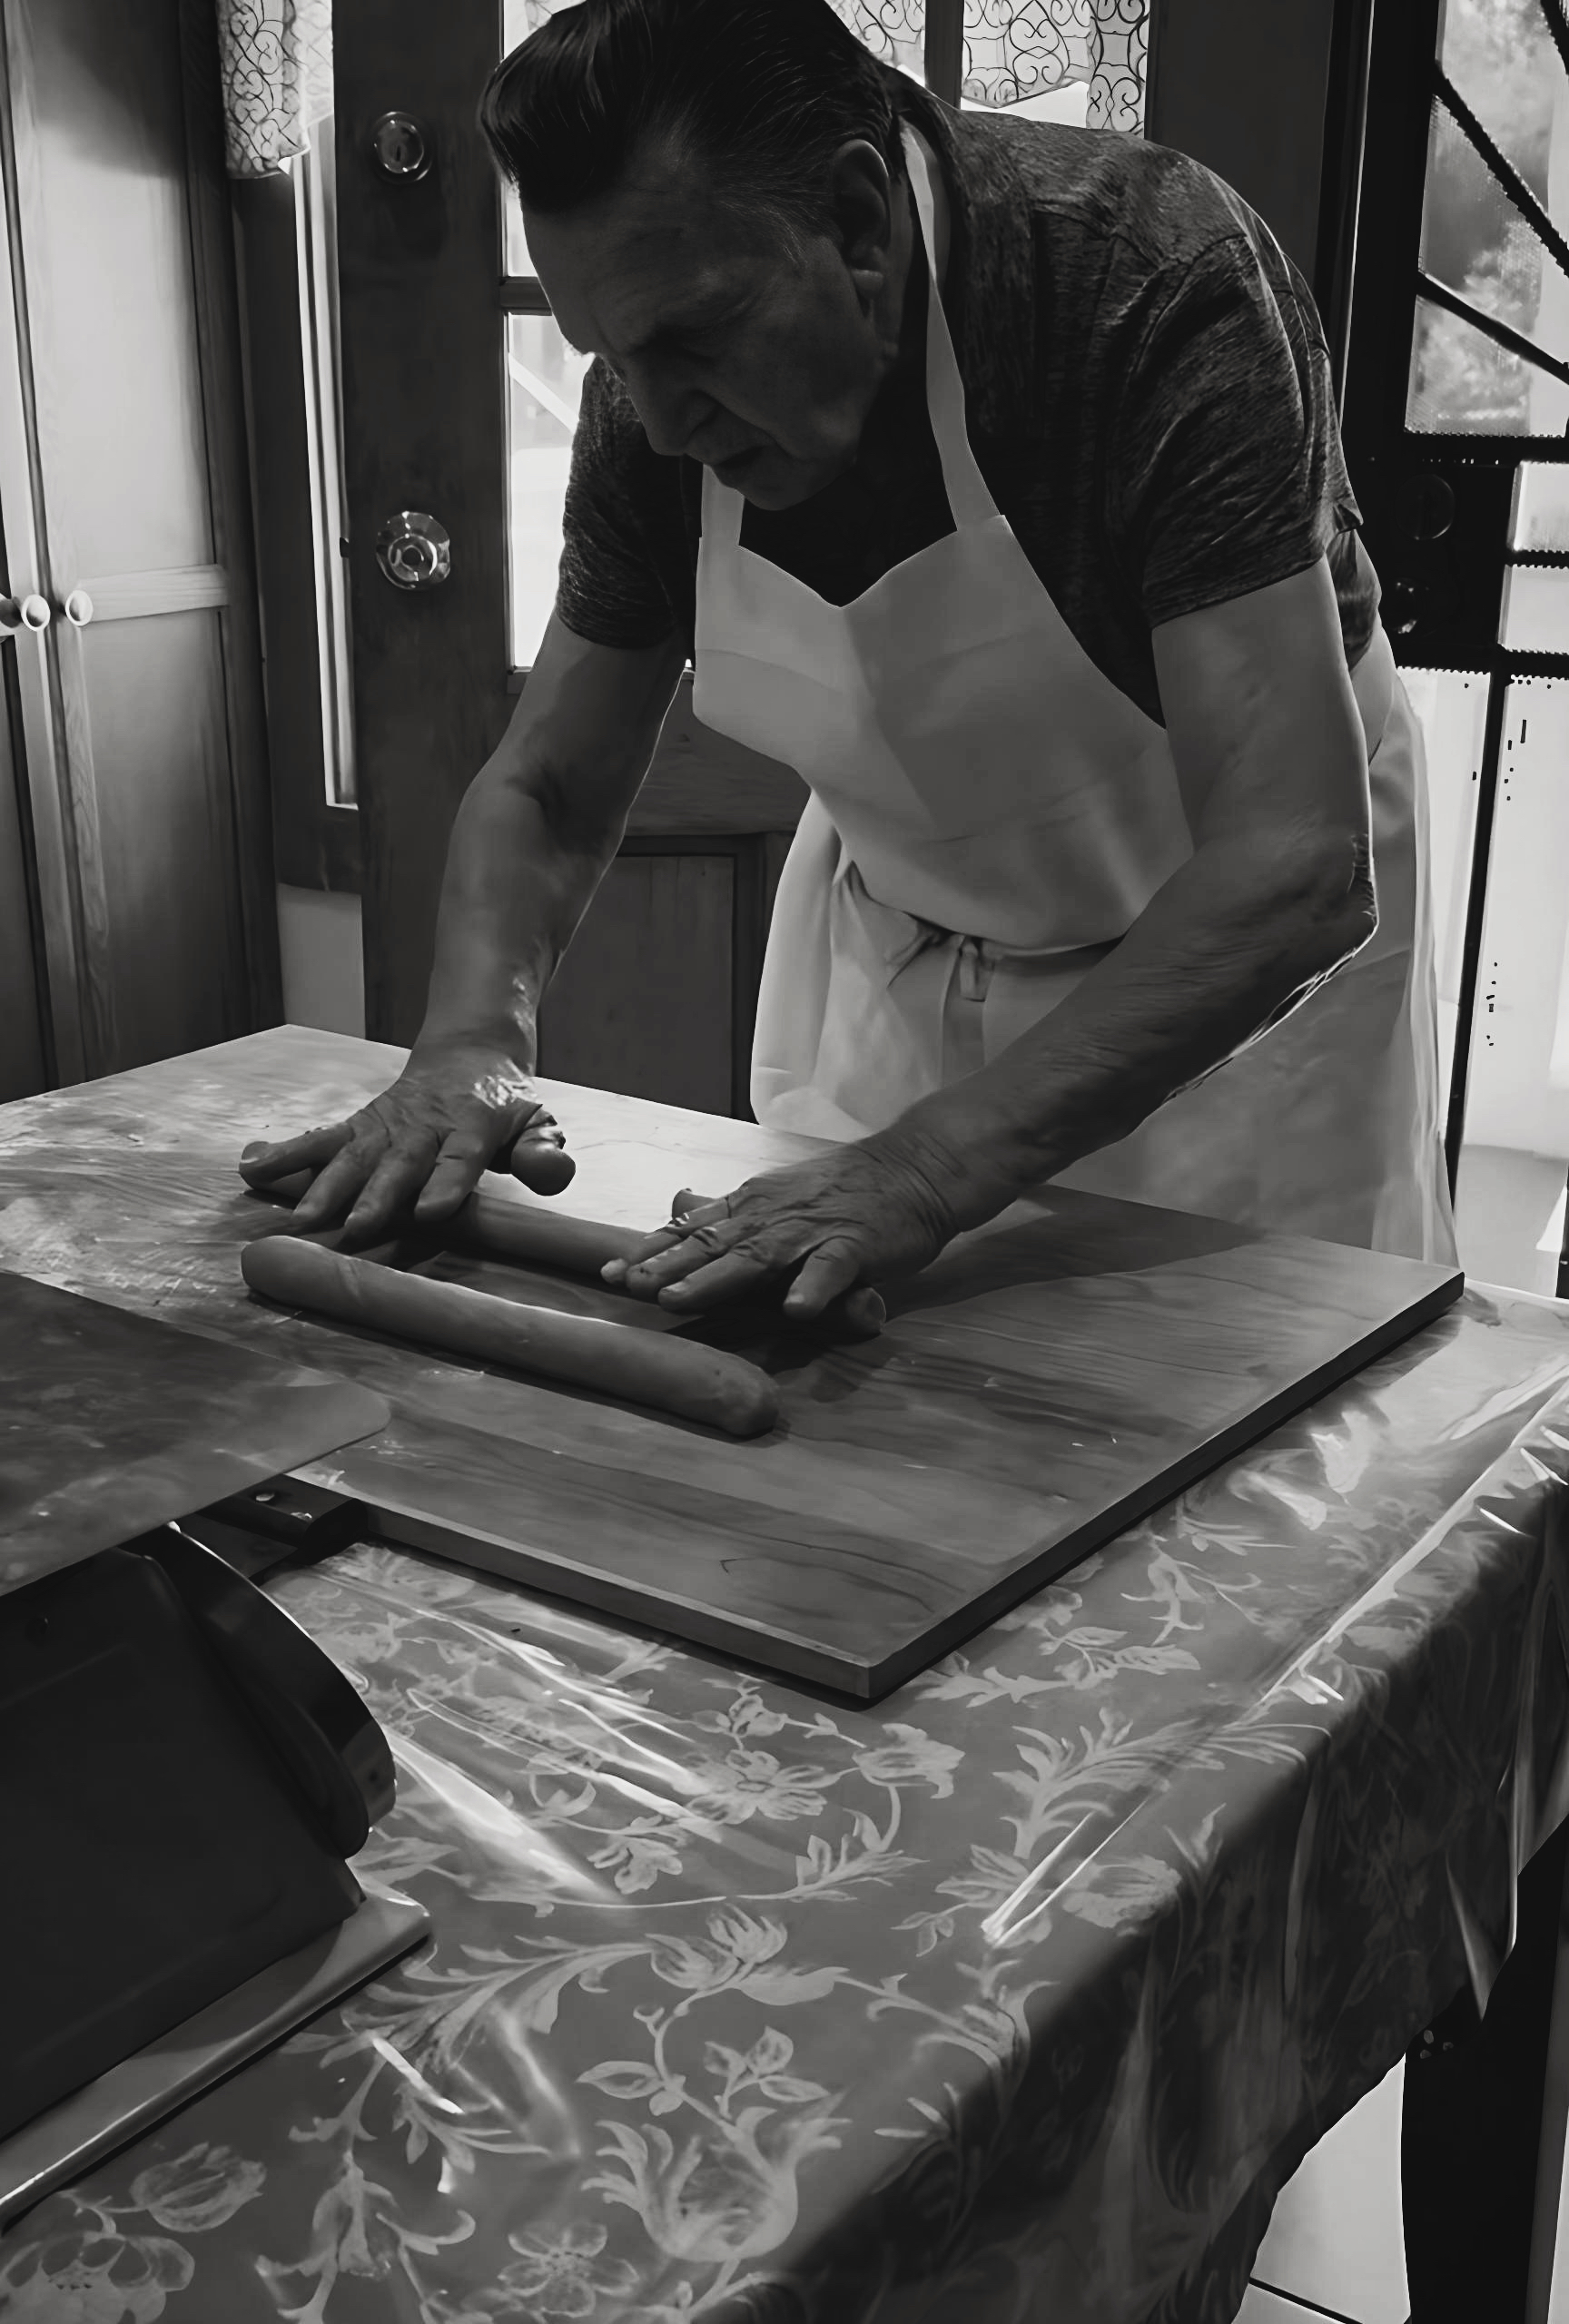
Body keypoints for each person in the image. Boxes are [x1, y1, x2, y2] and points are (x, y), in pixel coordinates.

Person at [242, 0, 1456, 1324]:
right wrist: (469, 1046)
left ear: (861, 226)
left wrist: (928, 1169)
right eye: (613, 359)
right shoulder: (654, 400)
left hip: (1232, 994)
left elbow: (1291, 864)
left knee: (1226, 1429)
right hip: (915, 948)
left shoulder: (1141, 282)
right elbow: (549, 789)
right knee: (868, 1403)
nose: (655, 422)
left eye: (696, 338)